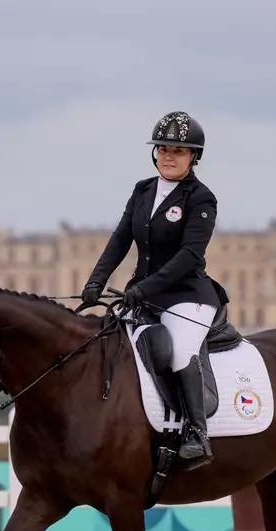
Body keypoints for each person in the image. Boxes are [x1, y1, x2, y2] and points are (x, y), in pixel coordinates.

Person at [80, 111, 228, 468]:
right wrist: (95, 281)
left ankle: (197, 434)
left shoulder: (201, 199)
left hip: (188, 297)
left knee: (178, 353)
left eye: (178, 150)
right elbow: (120, 239)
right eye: (163, 148)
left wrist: (145, 288)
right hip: (143, 294)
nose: (169, 156)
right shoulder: (143, 190)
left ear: (194, 156)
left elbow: (188, 255)